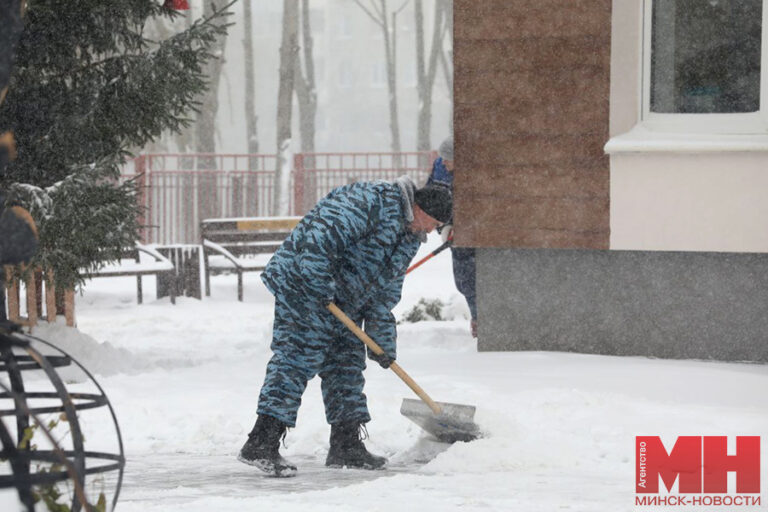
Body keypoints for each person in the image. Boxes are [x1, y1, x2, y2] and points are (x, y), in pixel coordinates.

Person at [237, 176, 453, 477]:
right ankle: (262, 441)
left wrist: (382, 340)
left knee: (347, 364)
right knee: (298, 358)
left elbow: (387, 289)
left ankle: (346, 445)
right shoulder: (370, 201)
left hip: (343, 299)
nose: (431, 231)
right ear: (418, 207)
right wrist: (319, 285)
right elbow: (319, 238)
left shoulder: (410, 234)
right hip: (304, 285)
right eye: (432, 223)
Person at [427, 136, 478, 338]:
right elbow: (432, 197)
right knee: (464, 280)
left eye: (448, 159)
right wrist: (445, 227)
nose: (444, 163)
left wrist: (466, 226)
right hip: (455, 237)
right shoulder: (441, 167)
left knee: (477, 281)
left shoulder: (475, 172)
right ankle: (478, 317)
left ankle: (479, 320)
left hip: (476, 237)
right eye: (443, 159)